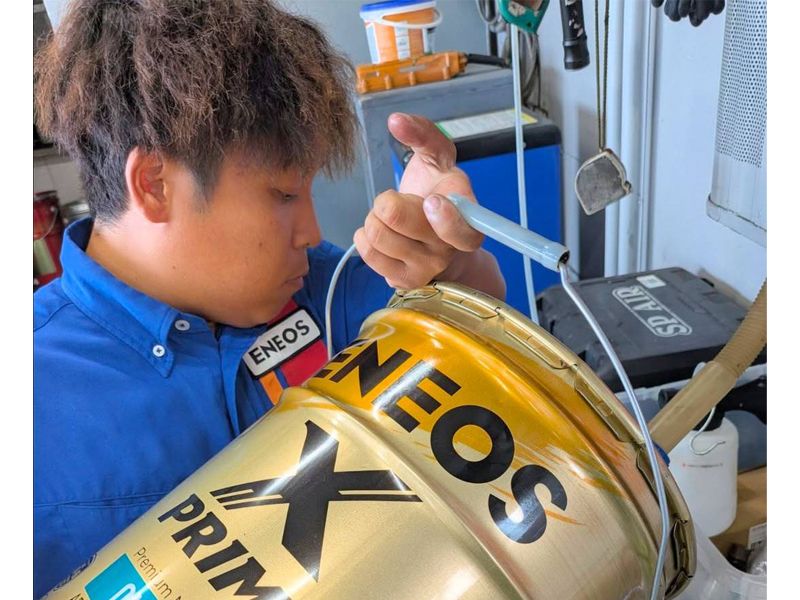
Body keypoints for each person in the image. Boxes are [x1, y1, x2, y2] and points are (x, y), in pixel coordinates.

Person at [33, 0, 504, 595]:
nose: (311, 232)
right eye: (283, 195)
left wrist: (445, 252)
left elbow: (480, 317)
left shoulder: (322, 288)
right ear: (154, 184)